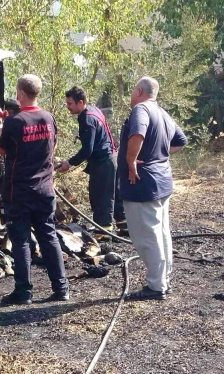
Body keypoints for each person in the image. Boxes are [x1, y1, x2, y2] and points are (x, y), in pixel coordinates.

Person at [0, 74, 69, 305]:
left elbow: (1, 149)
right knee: (48, 236)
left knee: (21, 240)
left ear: (21, 94)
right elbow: (52, 146)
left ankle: (23, 293)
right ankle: (61, 288)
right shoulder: (48, 117)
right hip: (45, 190)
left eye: (17, 92)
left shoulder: (15, 122)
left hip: (19, 192)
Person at [119, 77, 187, 301]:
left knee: (147, 235)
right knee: (161, 232)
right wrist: (158, 155)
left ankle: (156, 286)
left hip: (143, 184)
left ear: (139, 91)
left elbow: (138, 133)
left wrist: (132, 160)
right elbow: (180, 140)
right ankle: (162, 280)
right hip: (161, 181)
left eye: (132, 91)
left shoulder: (141, 109)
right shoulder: (163, 112)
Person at [56, 86, 127, 237]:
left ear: (80, 102)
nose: (68, 107)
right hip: (112, 157)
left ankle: (103, 232)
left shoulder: (87, 119)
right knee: (114, 193)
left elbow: (87, 149)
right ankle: (124, 225)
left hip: (103, 162)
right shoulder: (94, 109)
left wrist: (69, 163)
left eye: (70, 104)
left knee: (101, 196)